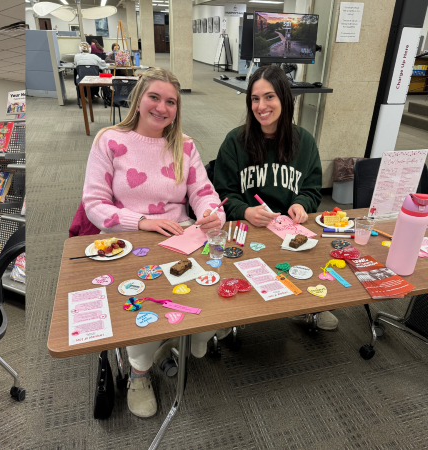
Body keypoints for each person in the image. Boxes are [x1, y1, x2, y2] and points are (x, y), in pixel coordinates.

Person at [82, 68, 226, 418]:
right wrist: (143, 221)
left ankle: (184, 340)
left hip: (179, 237)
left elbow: (204, 193)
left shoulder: (185, 145)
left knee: (222, 295)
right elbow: (94, 204)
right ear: (138, 99)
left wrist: (210, 213)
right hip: (125, 239)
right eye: (154, 97)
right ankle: (139, 372)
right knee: (143, 306)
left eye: (171, 102)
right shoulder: (110, 140)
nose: (162, 108)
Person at [212, 65, 328, 328]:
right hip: (246, 233)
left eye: (269, 96)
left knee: (318, 274)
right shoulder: (235, 141)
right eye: (255, 98)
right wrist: (246, 211)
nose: (261, 106)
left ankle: (310, 305)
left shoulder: (305, 141)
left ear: (284, 100)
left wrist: (301, 203)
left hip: (290, 233)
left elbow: (312, 190)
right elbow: (222, 195)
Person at [74, 42, 108, 109]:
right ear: (90, 49)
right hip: (95, 80)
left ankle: (84, 96)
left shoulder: (76, 56)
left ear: (80, 49)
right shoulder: (94, 56)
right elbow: (104, 65)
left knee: (76, 73)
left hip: (82, 80)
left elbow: (75, 65)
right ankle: (92, 94)